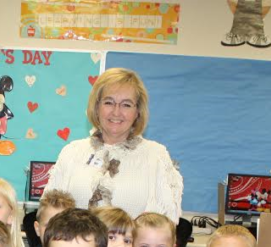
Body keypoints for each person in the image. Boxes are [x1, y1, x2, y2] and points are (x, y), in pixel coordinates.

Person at [43, 67, 183, 223]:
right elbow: (49, 216)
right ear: (97, 107)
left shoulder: (156, 156)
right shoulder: (71, 153)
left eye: (126, 105)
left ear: (138, 112)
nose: (116, 112)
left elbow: (165, 224)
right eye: (109, 102)